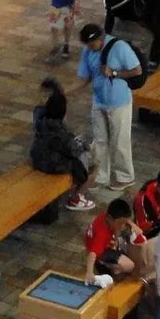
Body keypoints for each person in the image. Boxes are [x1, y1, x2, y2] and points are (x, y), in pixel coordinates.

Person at [76, 22, 140, 189]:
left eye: (93, 44)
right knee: (99, 140)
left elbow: (136, 70)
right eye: (88, 45)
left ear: (101, 38)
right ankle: (101, 175)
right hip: (99, 101)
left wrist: (114, 73)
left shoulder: (120, 47)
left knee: (120, 140)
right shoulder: (88, 51)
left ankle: (125, 176)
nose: (91, 48)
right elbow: (85, 77)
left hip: (119, 102)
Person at [31, 78, 95, 212]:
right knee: (93, 161)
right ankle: (77, 197)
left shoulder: (40, 118)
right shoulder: (60, 132)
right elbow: (73, 150)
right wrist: (86, 146)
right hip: (52, 164)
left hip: (38, 158)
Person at [84, 198, 147, 287]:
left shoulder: (109, 217)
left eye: (124, 222)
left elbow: (125, 221)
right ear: (110, 218)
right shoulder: (101, 234)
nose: (123, 226)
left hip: (107, 244)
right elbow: (92, 253)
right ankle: (105, 264)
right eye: (121, 223)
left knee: (120, 276)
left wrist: (133, 225)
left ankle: (115, 270)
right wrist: (89, 273)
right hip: (101, 252)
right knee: (129, 265)